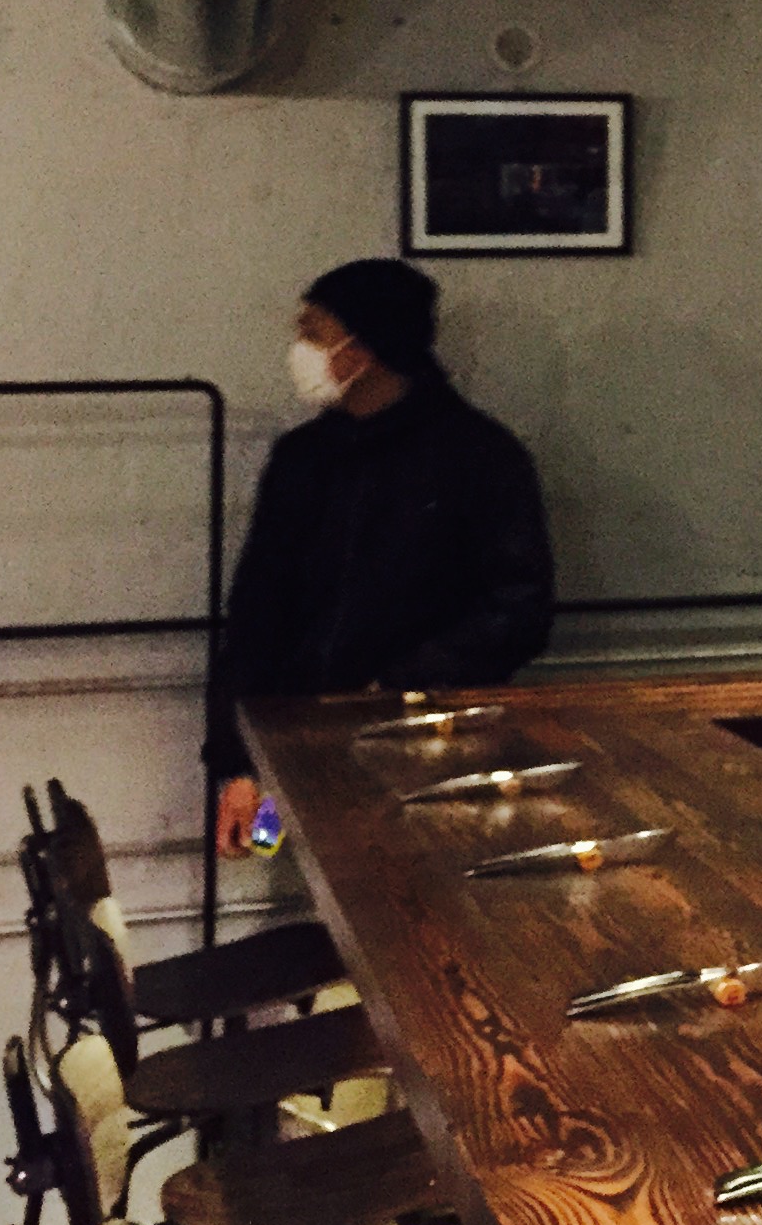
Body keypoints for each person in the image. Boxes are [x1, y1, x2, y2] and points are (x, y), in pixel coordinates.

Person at [207, 258, 556, 854]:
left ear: (364, 348)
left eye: (315, 332)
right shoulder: (303, 458)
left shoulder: (479, 457)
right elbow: (256, 611)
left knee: (425, 887)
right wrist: (237, 765)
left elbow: (519, 607)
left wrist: (396, 682)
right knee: (304, 873)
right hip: (299, 744)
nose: (301, 349)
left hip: (433, 747)